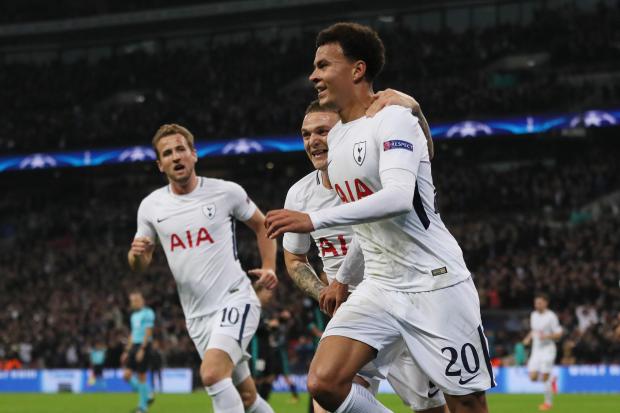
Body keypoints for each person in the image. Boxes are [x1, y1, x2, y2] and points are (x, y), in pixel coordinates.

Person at [266, 23, 495, 413]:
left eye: (323, 65)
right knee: (324, 381)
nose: (313, 75)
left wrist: (314, 219)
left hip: (434, 282)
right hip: (380, 285)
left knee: (467, 403)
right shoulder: (338, 141)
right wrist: (340, 278)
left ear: (356, 70)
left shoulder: (393, 118)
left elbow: (399, 198)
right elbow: (366, 227)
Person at [283, 98, 448, 413]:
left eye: (322, 131)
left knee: (432, 409)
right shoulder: (300, 195)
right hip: (355, 315)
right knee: (327, 398)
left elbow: (422, 153)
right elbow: (294, 260)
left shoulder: (373, 175)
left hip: (404, 300)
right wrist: (326, 292)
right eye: (306, 134)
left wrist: (415, 109)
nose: (313, 141)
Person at [128, 123, 278, 413]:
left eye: (181, 149)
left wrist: (269, 267)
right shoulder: (150, 207)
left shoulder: (225, 192)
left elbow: (262, 225)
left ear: (194, 155)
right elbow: (139, 264)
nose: (176, 156)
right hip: (196, 317)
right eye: (168, 153)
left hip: (235, 299)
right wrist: (137, 256)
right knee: (247, 398)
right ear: (160, 165)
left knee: (212, 374)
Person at [522, 293, 562, 411]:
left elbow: (559, 333)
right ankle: (552, 379)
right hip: (536, 350)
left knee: (545, 377)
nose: (537, 305)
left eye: (539, 303)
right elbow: (534, 330)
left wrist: (547, 336)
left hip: (548, 349)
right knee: (532, 377)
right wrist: (528, 338)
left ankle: (548, 403)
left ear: (545, 303)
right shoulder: (533, 315)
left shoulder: (551, 316)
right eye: (536, 303)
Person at [121, 291, 155, 413]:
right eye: (132, 301)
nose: (133, 303)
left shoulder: (148, 313)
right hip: (134, 345)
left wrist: (143, 349)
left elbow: (148, 332)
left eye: (135, 300)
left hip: (143, 345)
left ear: (141, 300)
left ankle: (142, 407)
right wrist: (126, 351)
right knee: (126, 375)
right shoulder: (133, 316)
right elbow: (132, 334)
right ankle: (148, 393)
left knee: (141, 376)